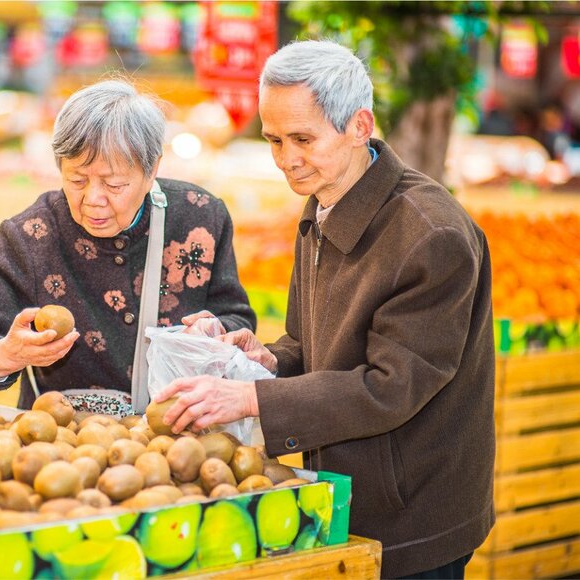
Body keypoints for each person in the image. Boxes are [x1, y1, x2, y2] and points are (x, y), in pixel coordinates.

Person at [159, 40, 495, 579]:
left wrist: (250, 398)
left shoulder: (432, 235)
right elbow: (307, 343)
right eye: (273, 139)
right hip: (342, 492)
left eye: (302, 139)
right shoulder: (323, 204)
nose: (286, 158)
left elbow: (392, 385)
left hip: (414, 516)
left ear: (360, 126)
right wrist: (264, 359)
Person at [0, 79, 256, 413]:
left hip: (177, 436)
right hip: (61, 444)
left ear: (152, 171)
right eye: (77, 180)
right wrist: (3, 356)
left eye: (114, 183)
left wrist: (216, 332)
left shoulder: (200, 217)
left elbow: (238, 319)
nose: (93, 200)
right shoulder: (30, 236)